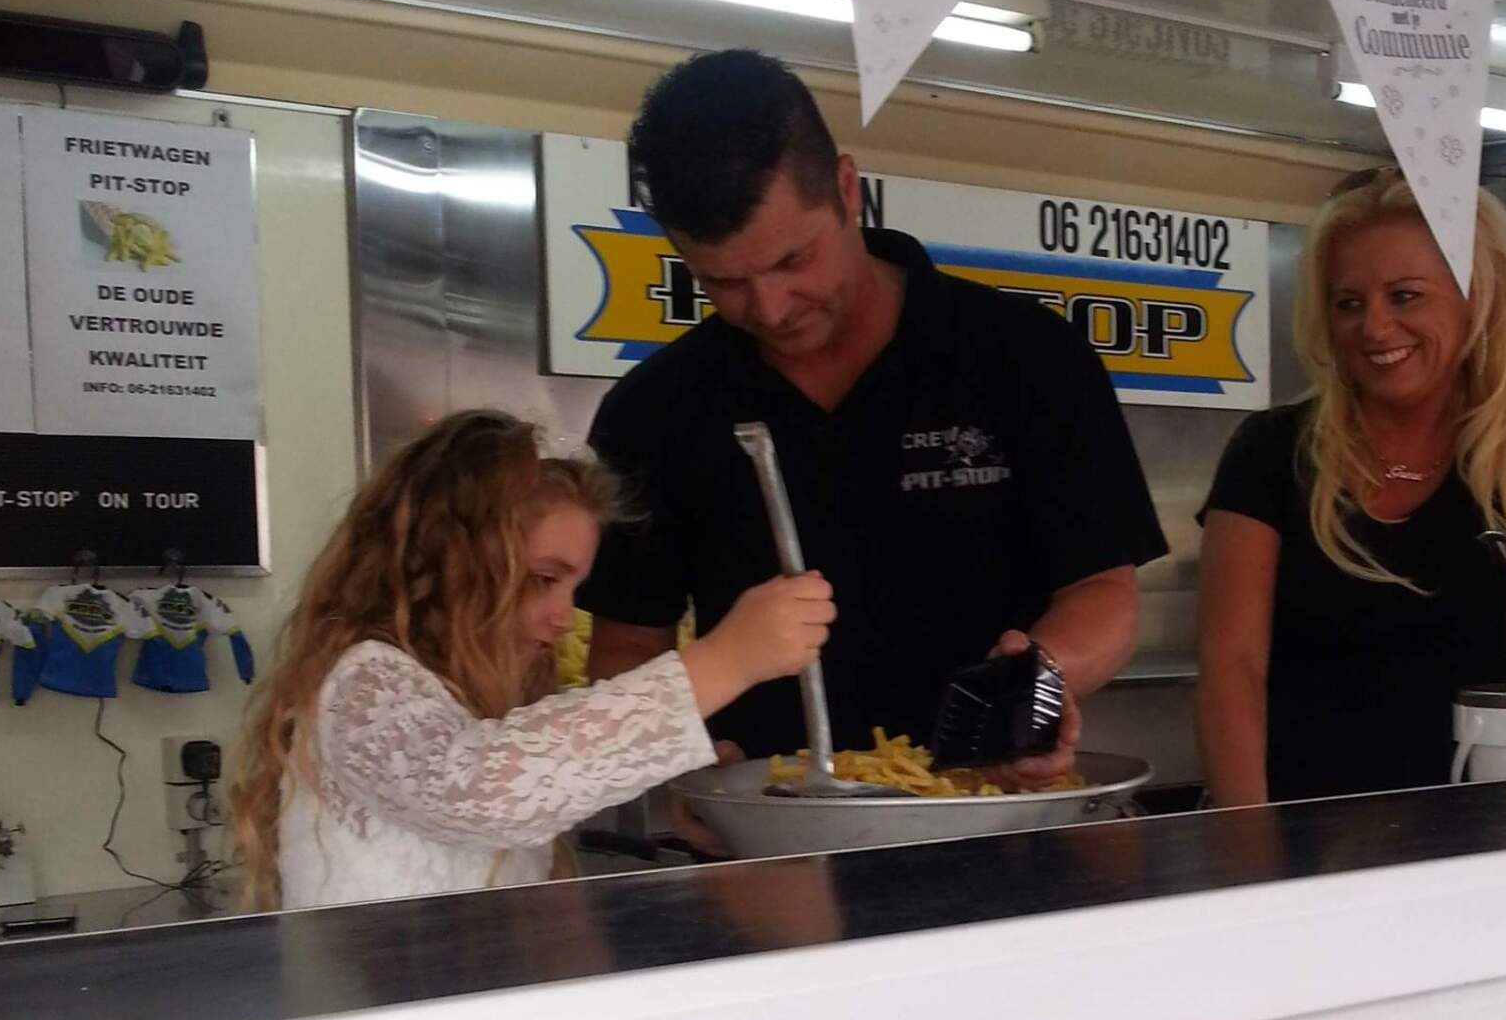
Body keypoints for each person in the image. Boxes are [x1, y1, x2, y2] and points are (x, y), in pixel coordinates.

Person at [580, 50, 1168, 790]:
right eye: (722, 282)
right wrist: (675, 776)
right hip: (766, 835)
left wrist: (1036, 685)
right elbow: (628, 649)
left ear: (847, 190)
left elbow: (1102, 594)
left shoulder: (1024, 356)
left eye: (793, 260)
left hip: (997, 814)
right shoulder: (653, 410)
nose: (770, 309)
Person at [231, 410, 832, 908]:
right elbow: (477, 791)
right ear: (449, 560)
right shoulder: (362, 681)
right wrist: (726, 662)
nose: (564, 616)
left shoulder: (481, 700)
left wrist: (672, 783)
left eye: (573, 588)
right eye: (544, 579)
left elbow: (539, 775)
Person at [1196, 170, 1506, 806]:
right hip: (1309, 835)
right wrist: (1247, 835)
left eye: (1404, 296)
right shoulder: (1272, 452)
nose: (1375, 328)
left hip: (1502, 838)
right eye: (1349, 303)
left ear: (1477, 298)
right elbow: (1232, 669)